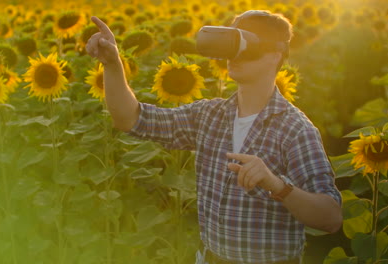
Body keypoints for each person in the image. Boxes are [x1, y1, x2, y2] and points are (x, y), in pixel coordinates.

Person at [86, 10, 342, 264]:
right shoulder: (209, 115)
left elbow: (330, 217)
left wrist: (277, 186)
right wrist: (112, 63)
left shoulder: (295, 129)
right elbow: (130, 119)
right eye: (232, 46)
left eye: (247, 47)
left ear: (275, 56)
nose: (235, 57)